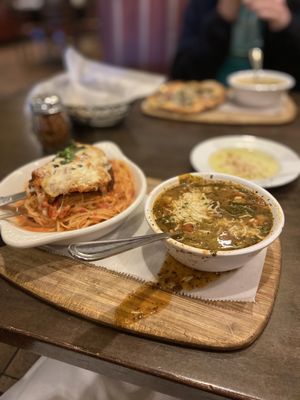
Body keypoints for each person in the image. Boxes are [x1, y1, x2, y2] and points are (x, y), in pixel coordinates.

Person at [170, 0, 300, 89]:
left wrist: (286, 25)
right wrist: (221, 19)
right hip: (213, 105)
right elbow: (181, 75)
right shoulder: (205, 4)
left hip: (282, 110)